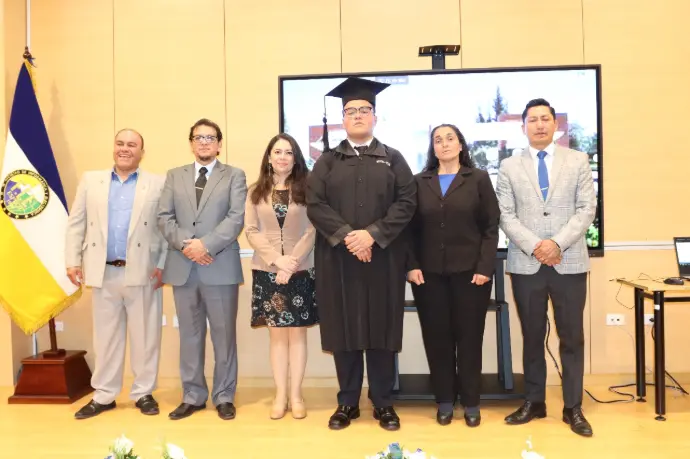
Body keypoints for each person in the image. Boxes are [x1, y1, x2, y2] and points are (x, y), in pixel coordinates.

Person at [306, 77, 417, 431]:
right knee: (344, 329)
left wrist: (372, 235)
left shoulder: (393, 158)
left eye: (364, 110)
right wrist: (348, 237)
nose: (357, 115)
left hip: (383, 258)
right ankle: (347, 402)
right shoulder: (327, 161)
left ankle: (383, 402)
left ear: (374, 116)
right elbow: (315, 204)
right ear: (342, 119)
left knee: (381, 329)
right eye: (350, 110)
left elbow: (407, 202)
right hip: (338, 260)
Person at [496, 98, 596, 437]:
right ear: (523, 126)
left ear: (555, 124)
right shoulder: (509, 166)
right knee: (532, 335)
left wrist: (556, 244)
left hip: (570, 262)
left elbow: (586, 209)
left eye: (545, 119)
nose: (539, 124)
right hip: (526, 263)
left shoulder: (578, 160)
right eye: (533, 120)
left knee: (572, 337)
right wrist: (537, 246)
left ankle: (573, 408)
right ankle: (534, 402)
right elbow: (505, 214)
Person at [65, 129, 166, 419]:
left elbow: (165, 228)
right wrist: (72, 261)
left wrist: (162, 264)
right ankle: (104, 395)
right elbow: (76, 223)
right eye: (120, 143)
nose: (125, 149)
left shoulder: (157, 183)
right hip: (104, 271)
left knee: (146, 336)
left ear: (141, 152)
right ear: (113, 147)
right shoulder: (91, 181)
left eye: (132, 145)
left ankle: (143, 393)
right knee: (106, 338)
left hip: (143, 271)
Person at [406, 124, 500, 427]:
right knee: (437, 338)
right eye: (438, 140)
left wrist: (485, 268)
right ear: (432, 148)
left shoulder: (478, 179)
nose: (444, 144)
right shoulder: (419, 181)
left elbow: (491, 227)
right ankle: (445, 400)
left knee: (470, 338)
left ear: (461, 145)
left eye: (450, 139)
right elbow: (409, 229)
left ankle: (471, 401)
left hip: (472, 275)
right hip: (428, 275)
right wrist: (411, 265)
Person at [157, 118, 247, 421]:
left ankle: (224, 396)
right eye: (198, 137)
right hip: (184, 267)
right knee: (190, 336)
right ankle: (192, 396)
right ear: (191, 143)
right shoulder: (174, 175)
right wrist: (188, 246)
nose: (204, 142)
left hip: (219, 266)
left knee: (224, 336)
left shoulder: (234, 175)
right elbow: (164, 217)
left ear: (219, 144)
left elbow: (235, 218)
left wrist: (205, 246)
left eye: (210, 138)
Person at [245, 133, 317, 420]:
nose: (283, 157)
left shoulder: (308, 189)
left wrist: (291, 263)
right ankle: (280, 395)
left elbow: (312, 229)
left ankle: (296, 395)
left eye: (288, 152)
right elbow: (251, 230)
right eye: (277, 152)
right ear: (269, 157)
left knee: (297, 335)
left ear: (296, 158)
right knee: (276, 336)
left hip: (300, 270)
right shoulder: (255, 191)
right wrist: (277, 260)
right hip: (268, 270)